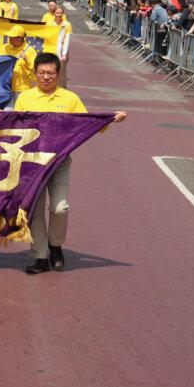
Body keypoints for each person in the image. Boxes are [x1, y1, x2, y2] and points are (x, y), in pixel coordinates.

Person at [13, 53, 126, 274]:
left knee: (60, 208)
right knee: (34, 212)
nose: (46, 77)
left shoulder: (70, 98)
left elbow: (87, 123)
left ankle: (56, 245)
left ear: (58, 74)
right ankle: (40, 256)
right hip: (32, 166)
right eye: (42, 73)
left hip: (60, 163)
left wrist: (111, 119)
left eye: (50, 73)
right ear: (35, 74)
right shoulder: (24, 98)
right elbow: (15, 126)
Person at [0, 25, 37, 94]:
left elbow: (35, 70)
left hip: (21, 88)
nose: (10, 38)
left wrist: (26, 60)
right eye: (9, 36)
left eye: (13, 37)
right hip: (5, 86)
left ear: (20, 38)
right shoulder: (6, 47)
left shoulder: (30, 51)